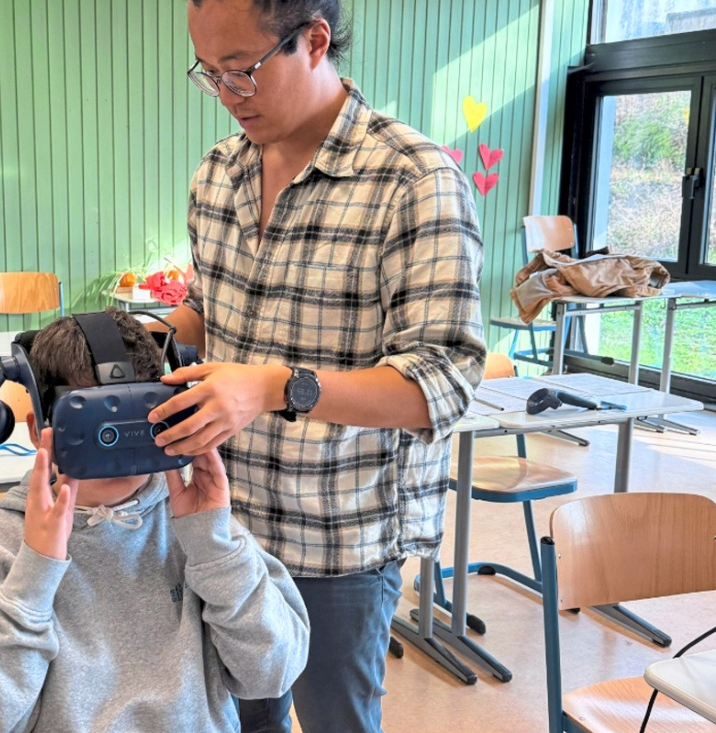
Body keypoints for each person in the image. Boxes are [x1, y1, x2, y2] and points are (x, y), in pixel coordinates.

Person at [146, 1, 486, 731]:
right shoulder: (218, 173)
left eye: (241, 71)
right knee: (239, 716)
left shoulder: (412, 179)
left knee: (337, 719)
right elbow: (206, 309)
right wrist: (115, 342)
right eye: (209, 74)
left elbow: (444, 380)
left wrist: (276, 387)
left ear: (314, 40)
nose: (227, 95)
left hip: (341, 537)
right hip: (225, 520)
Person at [0, 309, 310, 733]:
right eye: (94, 424)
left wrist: (215, 549)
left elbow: (273, 674)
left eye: (137, 417)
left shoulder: (198, 529)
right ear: (39, 429)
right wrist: (32, 577)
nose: (118, 446)